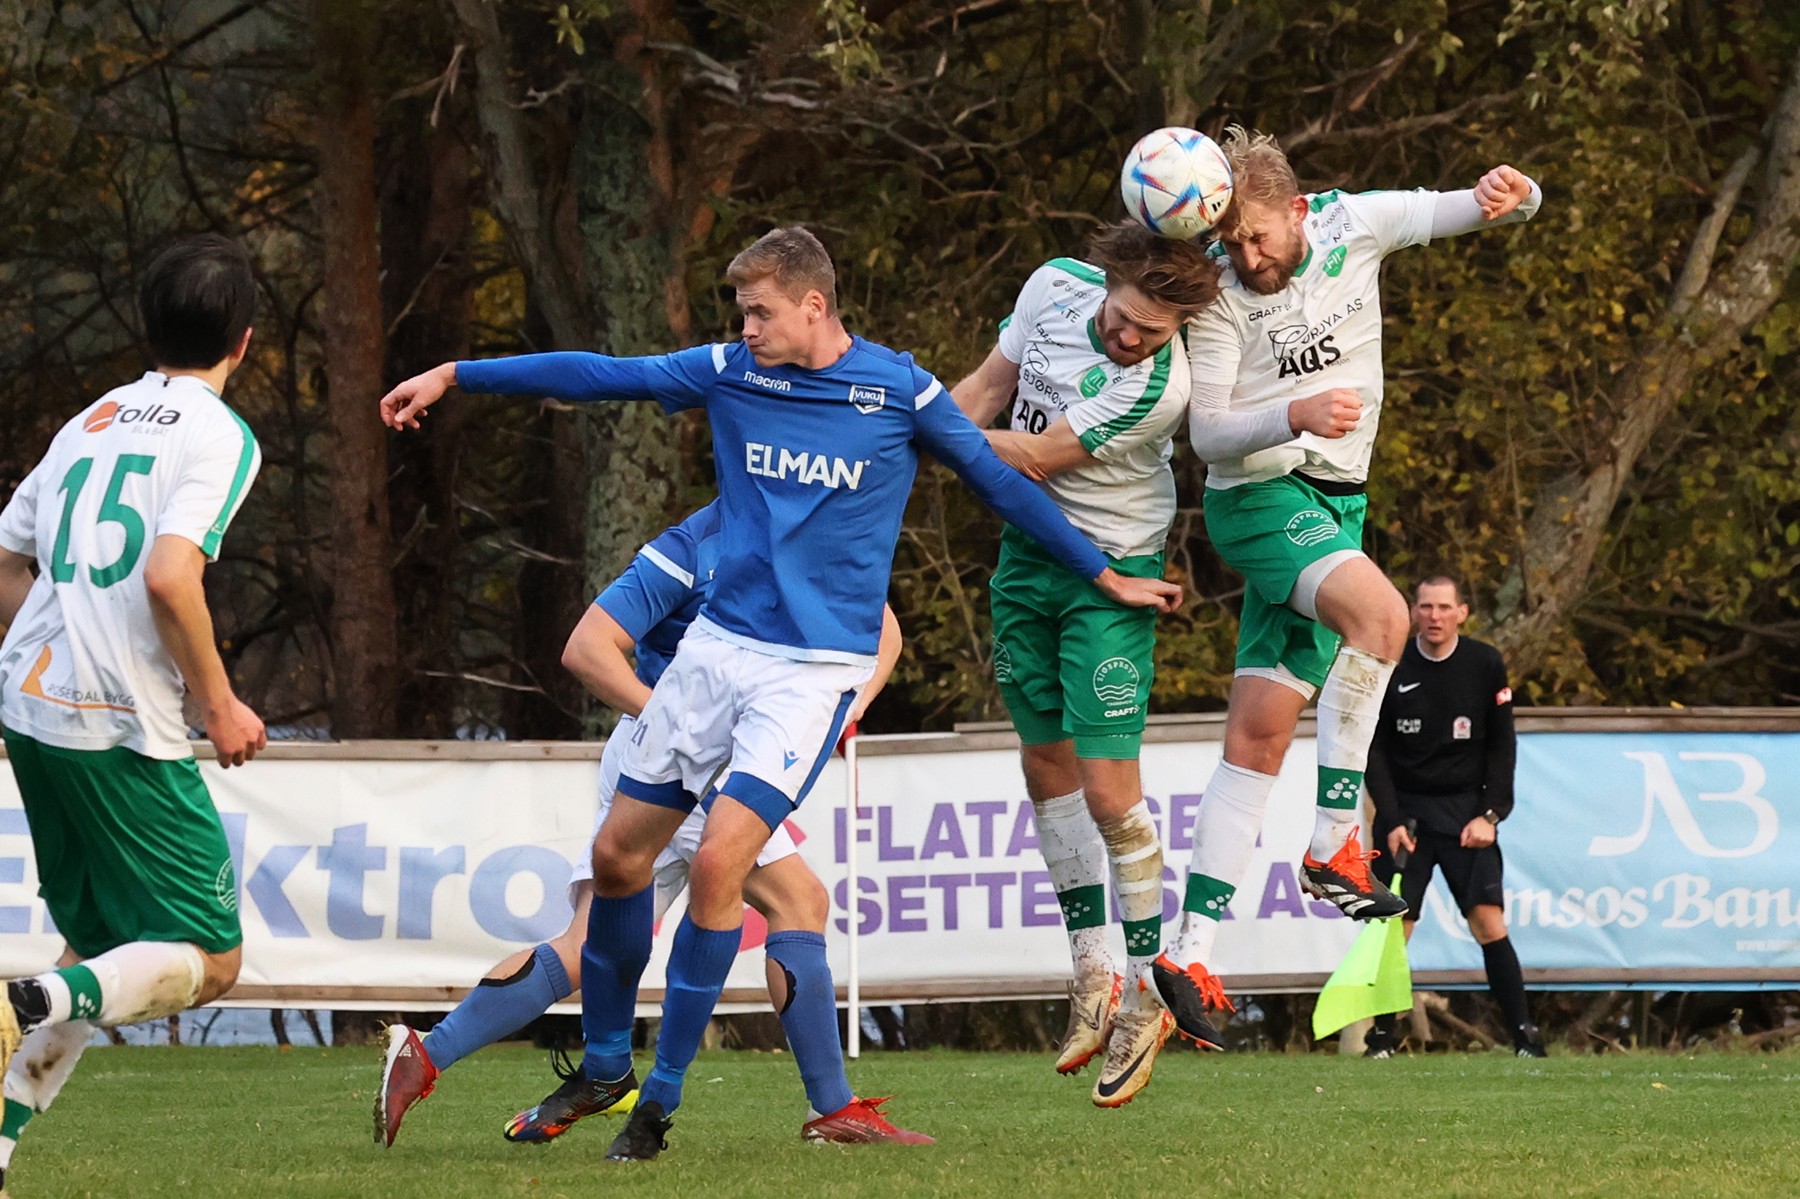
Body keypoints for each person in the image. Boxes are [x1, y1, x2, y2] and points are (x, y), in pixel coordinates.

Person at [378, 226, 1181, 1161]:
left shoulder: (899, 389)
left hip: (808, 676)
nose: (745, 326)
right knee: (614, 859)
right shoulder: (732, 371)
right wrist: (457, 375)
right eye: (741, 312)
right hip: (716, 658)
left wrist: (1102, 573)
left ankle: (659, 1101)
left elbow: (1000, 481)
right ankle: (604, 1066)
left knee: (728, 867)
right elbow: (604, 373)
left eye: (758, 310)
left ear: (813, 305)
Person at [1154, 127, 1543, 1047]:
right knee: (1384, 614)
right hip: (1259, 502)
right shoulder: (1215, 289)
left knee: (1255, 735)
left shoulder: (1353, 225)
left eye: (1257, 238)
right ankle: (1336, 837)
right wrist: (1292, 411)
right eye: (1229, 240)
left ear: (1296, 213)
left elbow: (1468, 211)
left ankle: (1187, 949)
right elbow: (1208, 435)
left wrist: (1515, 196)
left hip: (1334, 510)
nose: (1244, 257)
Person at [373, 501, 925, 1146]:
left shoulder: (806, 531)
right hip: (676, 767)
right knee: (798, 900)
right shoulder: (693, 546)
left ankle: (431, 1053)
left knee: (584, 946)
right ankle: (830, 1109)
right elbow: (588, 648)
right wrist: (681, 728)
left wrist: (844, 708)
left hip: (678, 764)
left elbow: (883, 629)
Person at [0, 234, 268, 1192]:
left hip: (29, 706)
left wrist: (51, 644)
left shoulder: (92, 417)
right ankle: (27, 997)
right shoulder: (217, 433)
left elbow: (9, 552)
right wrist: (221, 701)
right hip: (120, 727)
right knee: (216, 958)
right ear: (244, 339)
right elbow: (168, 573)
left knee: (103, 950)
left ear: (146, 328)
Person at [952, 223, 1220, 1104]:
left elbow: (1032, 453)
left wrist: (914, 429)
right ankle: (1093, 967)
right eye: (1127, 318)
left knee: (1109, 792)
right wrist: (931, 423)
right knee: (1045, 766)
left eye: (1154, 329)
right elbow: (991, 387)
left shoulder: (1158, 386)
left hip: (1112, 574)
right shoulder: (1053, 284)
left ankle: (1148, 993)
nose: (1131, 338)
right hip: (1024, 560)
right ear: (1104, 281)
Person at [1362, 576, 1544, 1058]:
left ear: (1462, 612)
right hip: (1407, 817)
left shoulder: (1485, 663)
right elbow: (1373, 748)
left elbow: (1503, 744)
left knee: (1488, 922)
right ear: (1413, 612)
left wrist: (1491, 814)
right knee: (1393, 927)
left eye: (1444, 607)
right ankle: (1380, 1039)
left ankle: (1526, 1038)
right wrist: (1392, 818)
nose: (1434, 616)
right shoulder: (1393, 663)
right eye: (1425, 607)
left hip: (1467, 816)